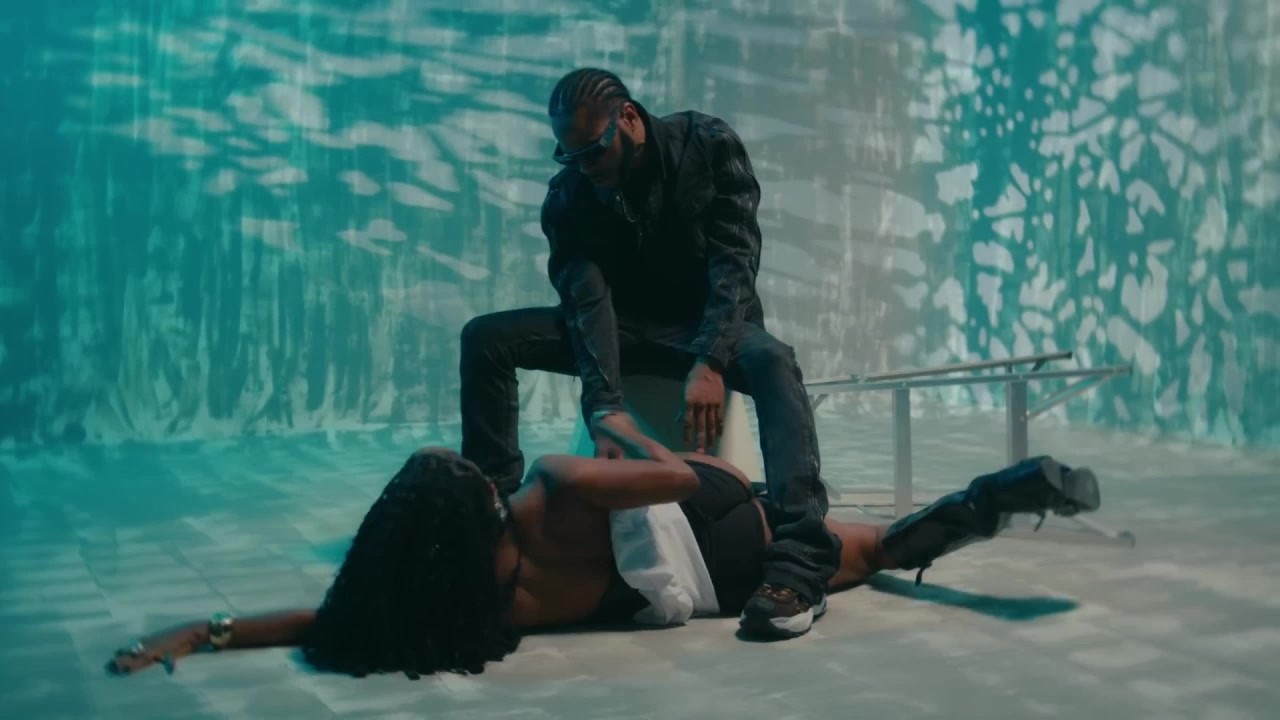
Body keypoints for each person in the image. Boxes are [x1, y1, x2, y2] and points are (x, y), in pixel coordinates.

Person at [106, 412, 1101, 679]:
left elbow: (328, 621)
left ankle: (995, 500)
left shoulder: (475, 604)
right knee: (876, 545)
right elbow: (681, 482)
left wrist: (199, 632)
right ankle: (996, 494)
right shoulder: (551, 488)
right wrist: (622, 440)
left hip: (710, 586)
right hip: (717, 520)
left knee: (872, 552)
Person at [460, 66, 841, 638]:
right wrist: (604, 404)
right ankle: (494, 513)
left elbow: (735, 261)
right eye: (570, 156)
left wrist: (710, 360)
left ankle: (801, 563)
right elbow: (587, 302)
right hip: (620, 332)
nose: (584, 166)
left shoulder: (708, 145)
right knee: (486, 338)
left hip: (704, 326)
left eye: (594, 151)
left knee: (774, 361)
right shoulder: (569, 194)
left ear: (630, 118)